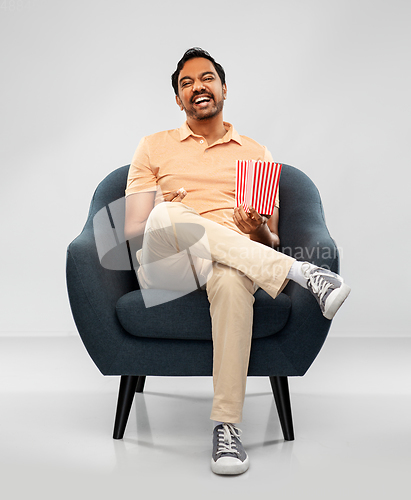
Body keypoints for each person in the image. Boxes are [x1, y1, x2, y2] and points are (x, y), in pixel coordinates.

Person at [124, 47, 350, 475]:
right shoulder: (153, 147)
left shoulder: (255, 152)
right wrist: (168, 202)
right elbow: (135, 225)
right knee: (167, 214)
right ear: (178, 100)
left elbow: (271, 237)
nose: (197, 87)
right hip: (167, 264)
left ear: (224, 88)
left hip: (230, 260)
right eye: (186, 83)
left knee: (231, 280)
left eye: (206, 78)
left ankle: (226, 429)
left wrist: (257, 226)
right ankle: (303, 275)